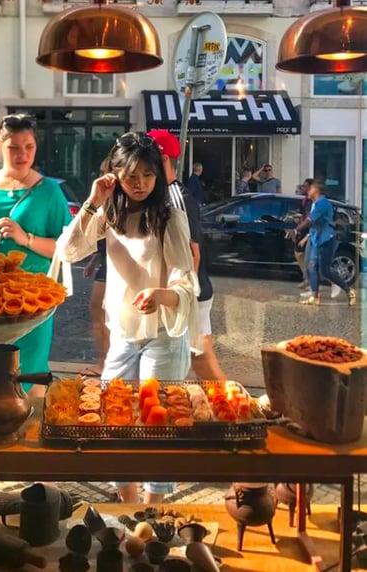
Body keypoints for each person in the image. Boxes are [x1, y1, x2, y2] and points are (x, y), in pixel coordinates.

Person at [56, 132, 200, 504]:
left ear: (158, 177)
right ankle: (128, 507)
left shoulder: (170, 216)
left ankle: (153, 512)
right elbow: (68, 251)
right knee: (114, 418)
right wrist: (92, 201)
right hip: (122, 332)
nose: (140, 184)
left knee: (157, 421)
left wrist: (161, 295)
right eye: (131, 175)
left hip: (163, 333)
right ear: (115, 174)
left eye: (148, 176)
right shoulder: (109, 212)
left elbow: (185, 278)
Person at [0, 114, 72, 396]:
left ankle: (29, 432)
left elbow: (66, 246)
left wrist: (24, 238)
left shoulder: (49, 191)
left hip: (32, 299)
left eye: (29, 146)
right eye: (14, 147)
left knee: (28, 368)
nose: (23, 154)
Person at [148, 129, 226, 381]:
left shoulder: (176, 197)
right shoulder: (164, 194)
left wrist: (181, 295)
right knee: (198, 357)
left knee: (200, 358)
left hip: (191, 293)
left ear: (163, 159)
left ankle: (234, 408)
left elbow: (192, 252)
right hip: (185, 292)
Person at [292, 180, 356, 306]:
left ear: (316, 190)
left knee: (325, 270)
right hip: (316, 239)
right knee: (311, 267)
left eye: (310, 189)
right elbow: (314, 224)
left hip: (326, 239)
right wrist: (308, 236)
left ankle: (349, 290)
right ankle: (315, 296)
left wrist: (296, 229)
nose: (307, 191)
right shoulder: (315, 204)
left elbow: (310, 221)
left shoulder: (323, 204)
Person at [82, 238, 109, 375]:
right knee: (100, 312)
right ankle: (105, 362)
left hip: (113, 263)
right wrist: (94, 260)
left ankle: (104, 363)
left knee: (99, 312)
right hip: (110, 260)